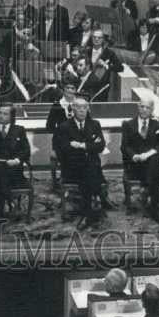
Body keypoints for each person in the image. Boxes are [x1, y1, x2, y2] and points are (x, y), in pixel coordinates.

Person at [53, 96, 106, 227]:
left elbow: (101, 146)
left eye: (85, 108)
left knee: (90, 170)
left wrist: (81, 146)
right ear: (73, 109)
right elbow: (63, 149)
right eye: (79, 108)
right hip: (72, 166)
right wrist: (89, 146)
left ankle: (86, 212)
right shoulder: (64, 127)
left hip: (91, 165)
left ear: (88, 109)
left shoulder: (95, 124)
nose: (82, 111)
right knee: (89, 172)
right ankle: (92, 209)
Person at [121, 100, 159, 222]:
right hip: (135, 164)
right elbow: (124, 146)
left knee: (156, 158)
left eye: (147, 107)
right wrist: (134, 156)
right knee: (155, 173)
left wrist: (148, 154)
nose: (144, 109)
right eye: (141, 106)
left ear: (152, 110)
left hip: (151, 161)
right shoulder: (128, 124)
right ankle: (155, 202)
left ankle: (150, 197)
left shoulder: (157, 125)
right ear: (138, 107)